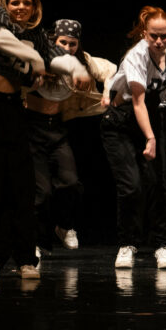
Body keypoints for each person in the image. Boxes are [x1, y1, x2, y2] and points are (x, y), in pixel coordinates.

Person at [0, 0, 89, 280]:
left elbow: (56, 54)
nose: (20, 7)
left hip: (15, 109)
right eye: (15, 2)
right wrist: (35, 62)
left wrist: (75, 69)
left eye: (26, 3)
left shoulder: (37, 35)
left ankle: (26, 259)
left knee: (23, 188)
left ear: (34, 7)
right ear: (6, 4)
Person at [102, 6, 166, 270]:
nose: (159, 41)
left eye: (164, 36)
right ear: (145, 34)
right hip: (121, 122)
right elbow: (138, 101)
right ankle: (127, 244)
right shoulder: (136, 55)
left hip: (153, 119)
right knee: (131, 186)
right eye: (154, 36)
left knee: (159, 183)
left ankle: (161, 245)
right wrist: (150, 138)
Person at [27, 19, 116, 252]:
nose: (67, 48)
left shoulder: (82, 60)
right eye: (63, 42)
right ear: (53, 40)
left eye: (72, 43)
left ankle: (64, 225)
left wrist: (107, 94)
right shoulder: (41, 56)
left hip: (57, 128)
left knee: (71, 183)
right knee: (42, 192)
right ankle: (36, 242)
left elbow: (111, 69)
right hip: (32, 128)